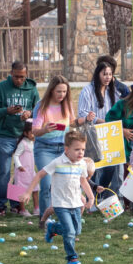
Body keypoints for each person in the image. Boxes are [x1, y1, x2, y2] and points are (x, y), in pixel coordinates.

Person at [21, 129, 95, 264]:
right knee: (70, 232)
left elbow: (83, 181)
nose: (81, 153)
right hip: (61, 204)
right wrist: (28, 192)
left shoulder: (82, 164)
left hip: (75, 203)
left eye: (83, 149)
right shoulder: (57, 162)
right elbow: (39, 175)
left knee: (76, 231)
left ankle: (52, 227)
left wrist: (91, 198)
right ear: (66, 149)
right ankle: (72, 258)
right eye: (77, 149)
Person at [0, 60, 37, 214]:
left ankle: (16, 203)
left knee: (20, 171)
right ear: (11, 74)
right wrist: (7, 111)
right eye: (16, 76)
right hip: (5, 134)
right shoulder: (1, 88)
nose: (19, 80)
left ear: (26, 75)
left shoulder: (31, 89)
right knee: (4, 171)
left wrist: (30, 113)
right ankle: (1, 203)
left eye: (22, 77)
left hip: (24, 136)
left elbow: (38, 110)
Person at [32, 76, 82, 223]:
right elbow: (35, 131)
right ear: (51, 90)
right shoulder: (41, 106)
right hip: (44, 148)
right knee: (47, 183)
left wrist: (85, 120)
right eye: (58, 91)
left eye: (64, 92)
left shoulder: (66, 105)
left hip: (63, 148)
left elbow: (72, 123)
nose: (62, 95)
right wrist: (45, 129)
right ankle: (45, 219)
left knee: (67, 183)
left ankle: (66, 215)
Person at [77, 59, 119, 192]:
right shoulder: (87, 90)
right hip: (92, 133)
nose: (107, 77)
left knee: (110, 166)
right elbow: (82, 112)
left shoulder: (113, 91)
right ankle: (91, 196)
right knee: (93, 167)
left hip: (109, 134)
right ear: (97, 74)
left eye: (110, 74)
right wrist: (99, 120)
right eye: (104, 74)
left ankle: (101, 193)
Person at [9, 121, 37, 217]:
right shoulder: (23, 143)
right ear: (25, 133)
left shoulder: (33, 142)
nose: (34, 135)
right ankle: (23, 210)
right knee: (21, 190)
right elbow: (16, 155)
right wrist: (19, 166)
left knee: (35, 189)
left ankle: (36, 208)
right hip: (22, 172)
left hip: (31, 171)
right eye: (32, 133)